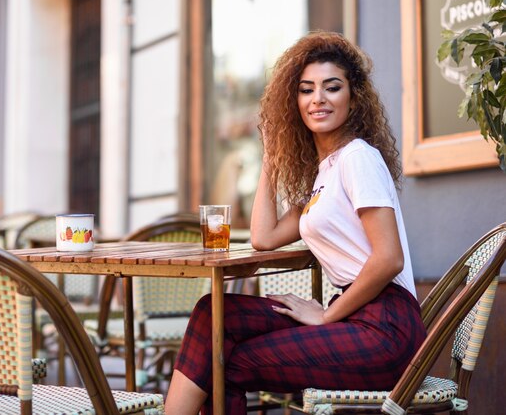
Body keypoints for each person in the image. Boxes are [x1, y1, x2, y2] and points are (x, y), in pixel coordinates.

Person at [164, 31, 426, 414]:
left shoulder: (358, 158)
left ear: (353, 99)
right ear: (295, 103)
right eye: (306, 90)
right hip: (356, 317)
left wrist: (327, 314)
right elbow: (263, 237)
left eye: (332, 87)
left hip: (385, 329)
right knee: (214, 313)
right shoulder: (325, 174)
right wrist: (270, 156)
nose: (318, 98)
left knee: (228, 365)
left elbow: (389, 259)